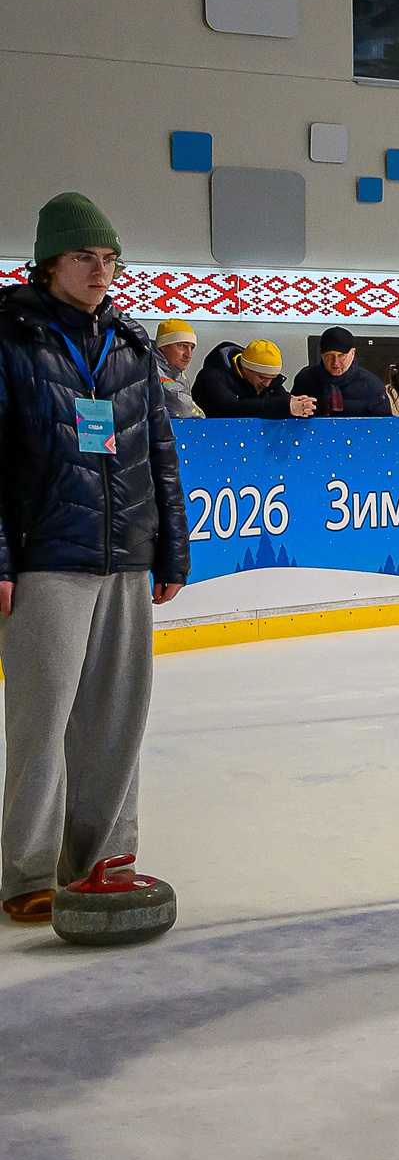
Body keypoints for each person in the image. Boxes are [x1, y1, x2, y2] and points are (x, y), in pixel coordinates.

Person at [0, 193, 188, 924]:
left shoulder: (134, 346)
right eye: (85, 258)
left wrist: (169, 544)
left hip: (126, 556)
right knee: (42, 718)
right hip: (47, 553)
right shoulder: (14, 339)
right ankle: (28, 870)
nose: (100, 271)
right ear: (51, 262)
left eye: (109, 259)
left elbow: (160, 455)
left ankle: (107, 853)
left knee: (118, 714)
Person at [194, 337, 316, 418]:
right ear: (245, 368)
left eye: (272, 378)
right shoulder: (212, 378)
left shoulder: (270, 383)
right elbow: (229, 409)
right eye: (262, 377)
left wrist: (302, 408)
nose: (267, 384)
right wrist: (284, 405)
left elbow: (282, 401)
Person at [293, 327, 393, 417]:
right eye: (329, 355)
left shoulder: (372, 385)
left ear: (352, 353)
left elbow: (383, 426)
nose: (335, 362)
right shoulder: (305, 380)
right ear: (322, 355)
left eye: (341, 356)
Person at [154, 320, 203, 420]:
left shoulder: (179, 375)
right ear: (162, 346)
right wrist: (201, 417)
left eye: (191, 348)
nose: (188, 355)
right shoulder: (152, 369)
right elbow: (182, 408)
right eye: (182, 346)